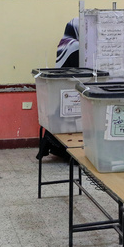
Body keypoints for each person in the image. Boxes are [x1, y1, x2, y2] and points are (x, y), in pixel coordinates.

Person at [37, 17, 80, 160]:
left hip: (61, 85)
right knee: (68, 120)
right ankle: (64, 151)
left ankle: (52, 148)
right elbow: (79, 68)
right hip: (70, 86)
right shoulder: (75, 45)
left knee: (60, 118)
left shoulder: (64, 42)